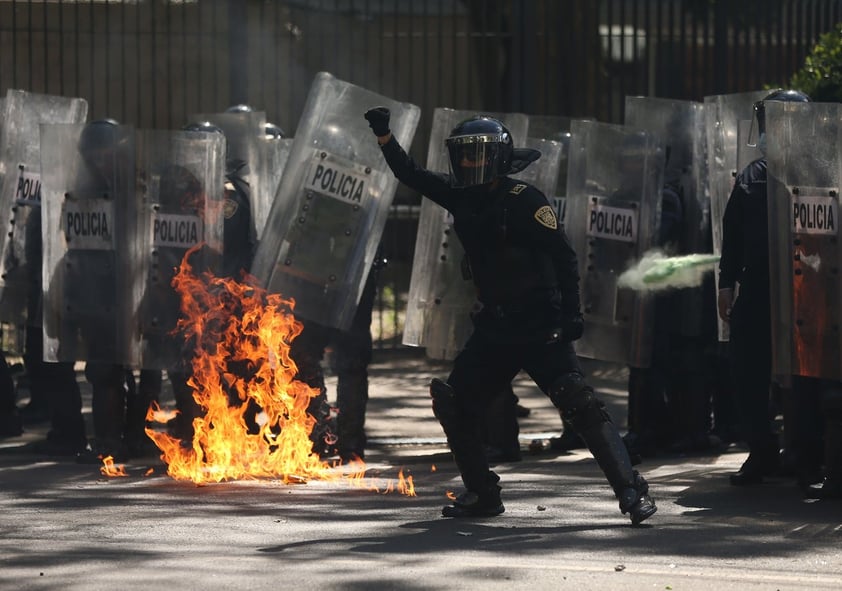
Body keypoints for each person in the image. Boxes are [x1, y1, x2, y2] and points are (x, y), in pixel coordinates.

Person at [365, 107, 657, 524]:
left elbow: (565, 259)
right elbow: (410, 174)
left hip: (540, 326)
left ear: (499, 159)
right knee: (455, 404)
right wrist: (384, 135)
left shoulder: (526, 202)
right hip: (495, 329)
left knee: (581, 406)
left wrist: (572, 316)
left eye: (478, 155)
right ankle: (482, 493)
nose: (470, 163)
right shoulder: (458, 194)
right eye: (463, 155)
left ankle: (630, 491)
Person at [717, 89, 812, 486]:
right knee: (746, 366)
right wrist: (726, 283)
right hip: (758, 286)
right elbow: (734, 233)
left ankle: (808, 451)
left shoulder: (821, 171)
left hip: (810, 287)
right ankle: (762, 449)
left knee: (811, 372)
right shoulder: (752, 177)